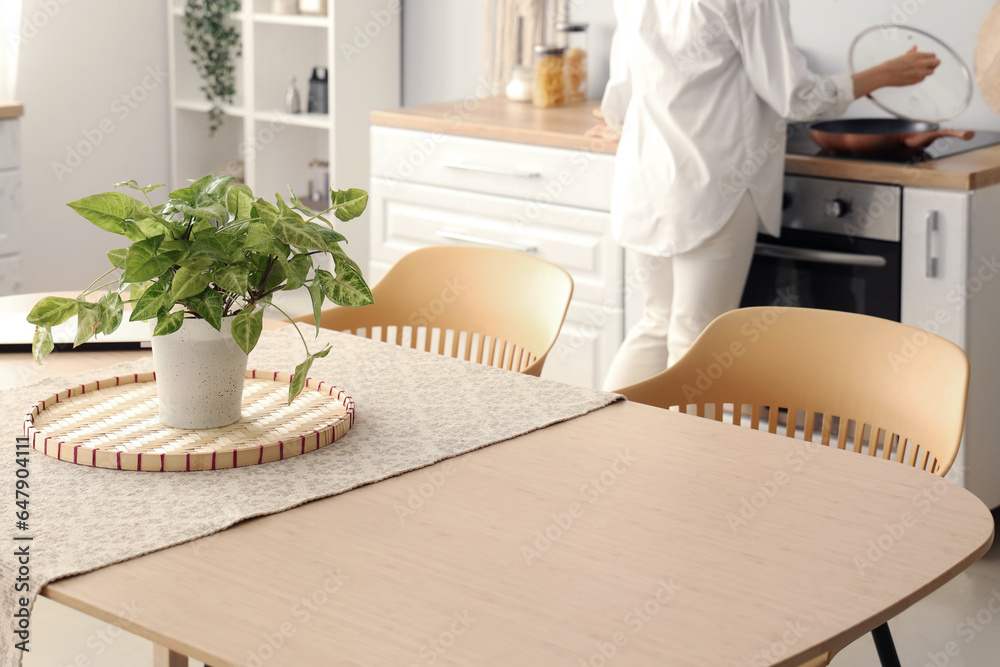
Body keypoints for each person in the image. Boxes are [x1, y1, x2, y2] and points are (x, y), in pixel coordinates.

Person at [590, 0, 940, 391]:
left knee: (655, 323)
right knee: (698, 341)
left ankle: (600, 447)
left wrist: (619, 125)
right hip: (713, 182)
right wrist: (879, 76)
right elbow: (795, 96)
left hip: (647, 175)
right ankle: (679, 453)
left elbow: (621, 90)